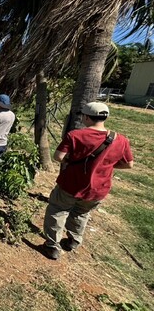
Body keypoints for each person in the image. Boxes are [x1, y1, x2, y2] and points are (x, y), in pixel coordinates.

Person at [42, 102, 133, 260]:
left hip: (71, 183)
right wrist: (106, 165)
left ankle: (52, 246)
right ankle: (73, 241)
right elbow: (129, 164)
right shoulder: (121, 139)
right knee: (82, 213)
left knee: (57, 211)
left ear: (86, 117)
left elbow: (59, 157)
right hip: (98, 189)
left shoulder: (75, 135)